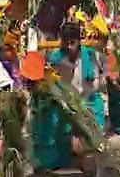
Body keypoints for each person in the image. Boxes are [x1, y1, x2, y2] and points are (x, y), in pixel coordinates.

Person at [45, 21, 107, 168]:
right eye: (66, 43)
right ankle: (87, 171)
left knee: (95, 143)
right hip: (71, 106)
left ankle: (95, 173)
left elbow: (101, 78)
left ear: (79, 41)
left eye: (72, 43)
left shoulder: (91, 55)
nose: (69, 47)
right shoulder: (55, 58)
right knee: (77, 146)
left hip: (91, 102)